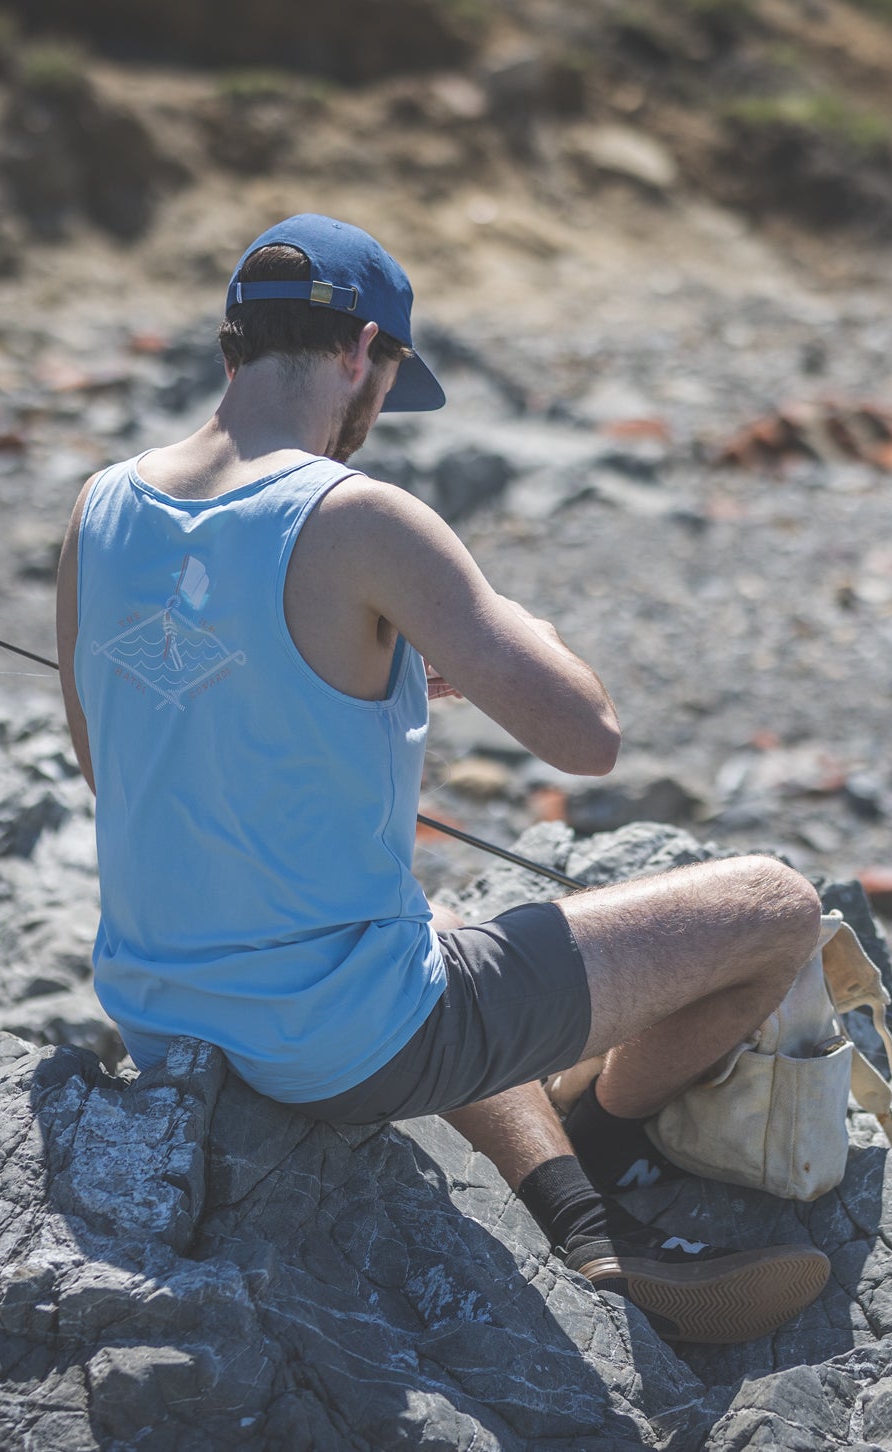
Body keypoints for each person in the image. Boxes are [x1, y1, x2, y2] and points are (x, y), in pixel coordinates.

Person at [55, 213, 831, 1344]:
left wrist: (361, 660)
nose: (374, 420)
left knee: (431, 927)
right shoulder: (355, 513)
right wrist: (509, 625)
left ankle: (582, 1229)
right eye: (384, 383)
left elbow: (107, 763)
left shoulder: (101, 505)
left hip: (159, 1015)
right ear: (362, 350)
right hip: (331, 1042)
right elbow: (588, 736)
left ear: (234, 345)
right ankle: (608, 1152)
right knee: (777, 907)